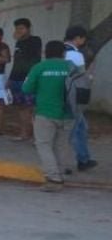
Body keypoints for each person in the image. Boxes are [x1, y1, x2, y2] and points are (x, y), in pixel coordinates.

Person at [23, 41, 77, 192]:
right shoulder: (72, 67)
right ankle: (60, 175)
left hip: (45, 112)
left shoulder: (39, 67)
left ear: (45, 53)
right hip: (69, 113)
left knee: (44, 145)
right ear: (63, 53)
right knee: (61, 145)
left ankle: (53, 178)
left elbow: (26, 88)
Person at [64, 25, 97, 171]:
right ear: (77, 38)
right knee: (73, 129)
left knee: (80, 127)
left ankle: (83, 158)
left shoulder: (59, 51)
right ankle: (66, 162)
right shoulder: (76, 55)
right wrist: (90, 74)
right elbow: (82, 78)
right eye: (83, 38)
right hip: (74, 95)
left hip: (62, 93)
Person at [7, 18, 42, 142]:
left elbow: (34, 59)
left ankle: (36, 136)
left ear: (28, 28)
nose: (18, 31)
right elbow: (17, 62)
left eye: (21, 28)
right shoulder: (18, 43)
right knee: (21, 107)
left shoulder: (35, 40)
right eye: (17, 28)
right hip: (16, 79)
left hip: (28, 79)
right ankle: (24, 134)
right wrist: (10, 79)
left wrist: (20, 38)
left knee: (31, 108)